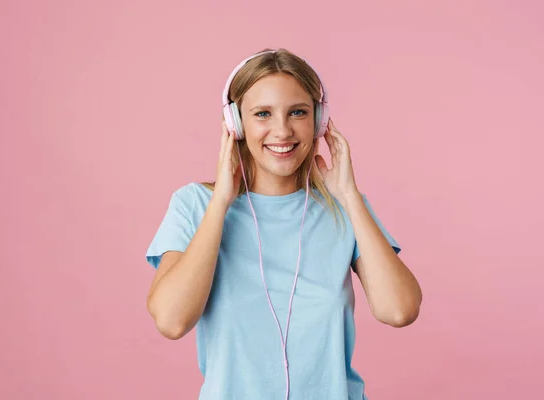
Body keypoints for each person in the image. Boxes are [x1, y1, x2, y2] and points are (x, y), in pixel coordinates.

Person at [144, 47, 422, 400]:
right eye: (263, 113)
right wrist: (221, 203)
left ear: (319, 121)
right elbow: (171, 321)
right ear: (235, 123)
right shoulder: (195, 205)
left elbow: (399, 310)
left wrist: (350, 197)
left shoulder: (345, 209)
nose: (282, 130)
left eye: (298, 112)